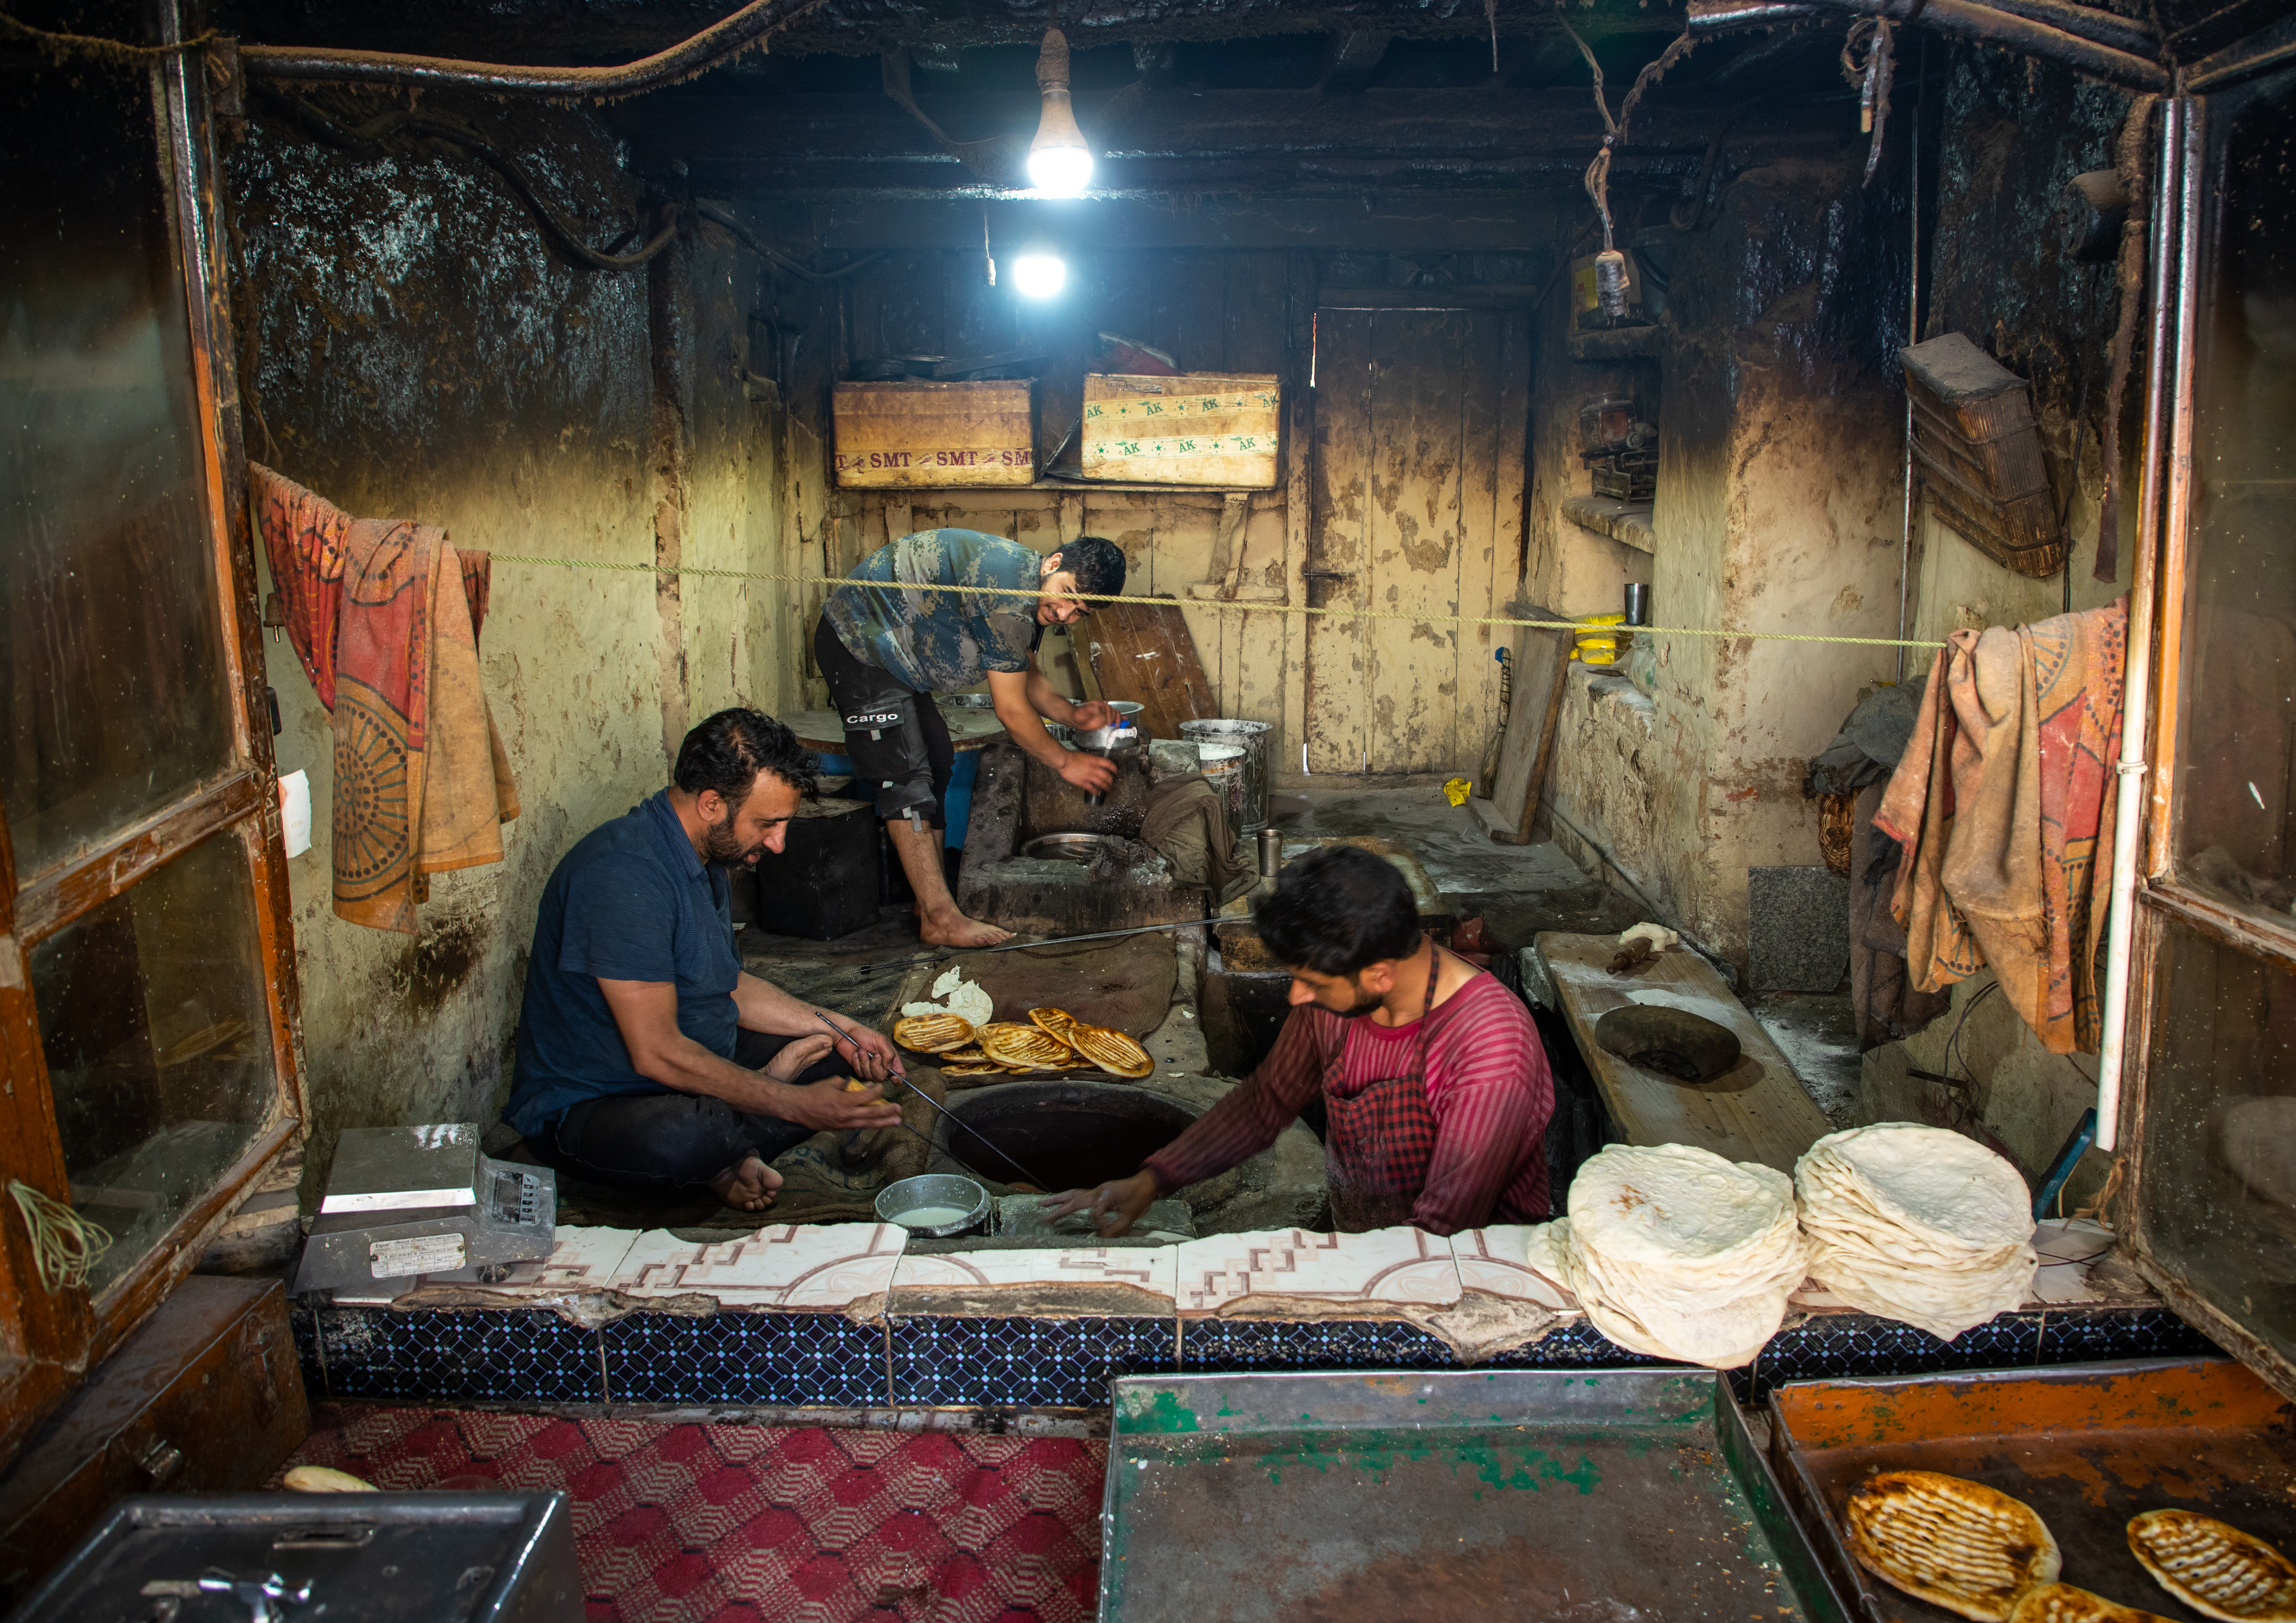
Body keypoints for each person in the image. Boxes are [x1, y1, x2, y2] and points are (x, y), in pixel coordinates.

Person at [503, 708, 905, 1212]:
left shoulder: (708, 855)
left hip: (697, 1056)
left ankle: (737, 1143)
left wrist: (842, 1025)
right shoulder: (621, 875)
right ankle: (732, 1142)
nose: (779, 843)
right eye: (768, 824)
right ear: (712, 804)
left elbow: (729, 986)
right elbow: (657, 1053)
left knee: (834, 1059)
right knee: (688, 1140)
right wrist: (790, 1102)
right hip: (604, 1100)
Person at [1044, 845, 1554, 1236]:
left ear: (1378, 975)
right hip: (1370, 1248)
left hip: (1460, 1275)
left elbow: (1440, 1235)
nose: (1297, 997)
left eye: (1312, 982)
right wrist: (1152, 1181)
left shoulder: (1489, 1053)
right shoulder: (1340, 996)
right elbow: (1265, 1102)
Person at [817, 527, 1129, 949]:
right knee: (904, 780)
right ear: (1052, 564)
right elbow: (1011, 710)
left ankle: (928, 900)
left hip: (897, 659)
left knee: (937, 762)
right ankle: (940, 918)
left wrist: (1070, 714)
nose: (1064, 615)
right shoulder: (1006, 590)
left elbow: (1022, 669)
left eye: (1079, 612)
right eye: (1066, 595)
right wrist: (1066, 761)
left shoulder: (1033, 592)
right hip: (859, 643)